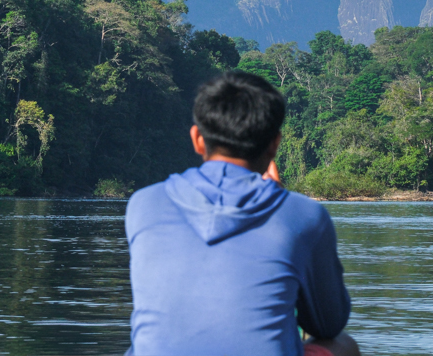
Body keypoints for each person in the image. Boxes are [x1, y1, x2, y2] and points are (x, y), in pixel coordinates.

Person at [125, 71, 360, 356]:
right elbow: (328, 324)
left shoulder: (144, 204)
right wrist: (280, 199)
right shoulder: (304, 215)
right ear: (275, 143)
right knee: (344, 346)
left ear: (197, 139)